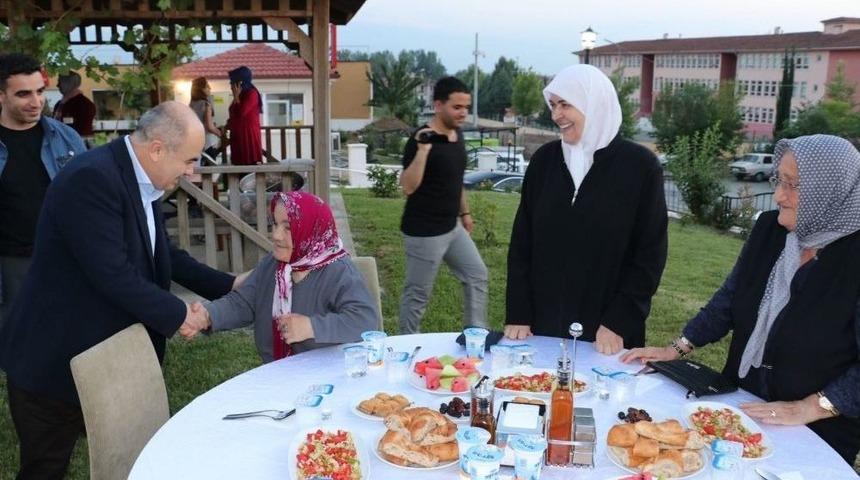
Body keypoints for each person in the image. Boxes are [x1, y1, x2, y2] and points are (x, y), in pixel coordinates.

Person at [0, 101, 243, 480]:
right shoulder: (91, 179)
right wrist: (181, 315)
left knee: (130, 459)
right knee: (45, 468)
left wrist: (228, 285)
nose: (192, 172)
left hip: (104, 355)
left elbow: (163, 254)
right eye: (190, 160)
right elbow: (113, 274)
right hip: (53, 358)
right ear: (158, 148)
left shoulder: (136, 177)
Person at [623, 134, 860, 465]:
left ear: (830, 192)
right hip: (741, 407)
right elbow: (730, 299)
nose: (779, 195)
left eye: (793, 185)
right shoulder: (770, 230)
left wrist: (812, 406)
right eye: (780, 181)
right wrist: (674, 350)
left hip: (818, 433)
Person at [504, 65, 668, 353]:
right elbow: (522, 243)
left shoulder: (641, 167)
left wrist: (620, 321)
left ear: (595, 104)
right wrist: (519, 310)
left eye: (566, 104)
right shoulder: (544, 162)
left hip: (607, 333)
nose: (556, 115)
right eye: (553, 105)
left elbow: (649, 256)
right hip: (541, 326)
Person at [186, 190, 379, 362]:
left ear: (311, 230)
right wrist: (208, 315)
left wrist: (311, 326)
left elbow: (365, 321)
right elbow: (244, 302)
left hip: (328, 373)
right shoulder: (273, 265)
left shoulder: (338, 271)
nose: (276, 235)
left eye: (288, 228)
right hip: (278, 371)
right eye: (275, 224)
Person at [0, 53, 86, 330]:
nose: (36, 102)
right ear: (1, 96)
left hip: (62, 257)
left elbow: (88, 199)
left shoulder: (66, 138)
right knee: (18, 347)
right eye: (23, 94)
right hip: (10, 264)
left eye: (40, 91)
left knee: (65, 340)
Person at [397, 76, 488, 334]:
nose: (463, 113)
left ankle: (475, 336)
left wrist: (465, 212)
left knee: (477, 275)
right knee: (417, 295)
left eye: (466, 107)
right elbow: (408, 186)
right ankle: (405, 345)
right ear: (438, 105)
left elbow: (455, 178)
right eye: (456, 107)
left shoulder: (456, 134)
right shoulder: (420, 138)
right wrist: (423, 151)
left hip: (452, 227)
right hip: (425, 232)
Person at [226, 66, 262, 165]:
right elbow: (233, 112)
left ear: (240, 83)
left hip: (247, 134)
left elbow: (241, 112)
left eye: (232, 82)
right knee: (238, 164)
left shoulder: (252, 94)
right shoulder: (240, 95)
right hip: (238, 134)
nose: (230, 85)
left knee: (247, 164)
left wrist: (236, 97)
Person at [52, 71, 97, 138]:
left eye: (59, 82)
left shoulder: (85, 105)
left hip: (76, 145)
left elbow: (84, 133)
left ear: (69, 83)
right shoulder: (59, 104)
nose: (57, 85)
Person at [189, 76, 221, 159]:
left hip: (195, 142)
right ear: (201, 89)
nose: (210, 88)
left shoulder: (191, 105)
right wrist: (220, 134)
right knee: (209, 169)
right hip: (207, 143)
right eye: (207, 86)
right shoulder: (206, 104)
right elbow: (210, 127)